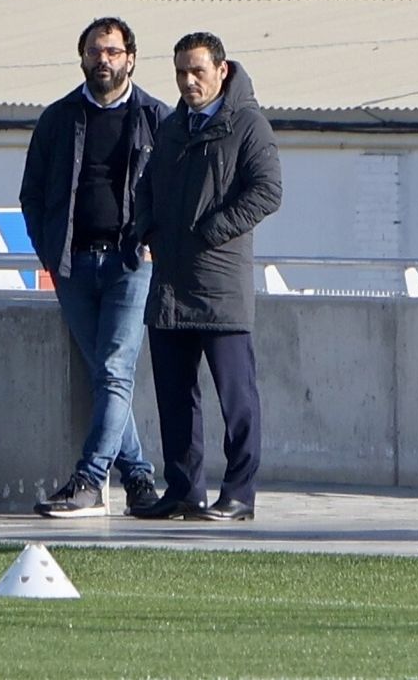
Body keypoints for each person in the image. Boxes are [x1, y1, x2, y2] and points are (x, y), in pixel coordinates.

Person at [19, 16, 172, 517]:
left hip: (132, 265)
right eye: (94, 52)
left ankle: (88, 481)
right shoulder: (59, 119)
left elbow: (177, 195)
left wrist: (157, 243)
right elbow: (32, 194)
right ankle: (140, 479)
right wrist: (48, 252)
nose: (102, 60)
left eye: (112, 51)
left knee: (113, 371)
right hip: (72, 266)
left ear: (131, 58)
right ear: (82, 58)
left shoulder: (157, 118)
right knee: (106, 376)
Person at [132, 32, 282, 522]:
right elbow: (146, 186)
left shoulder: (249, 126)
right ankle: (183, 491)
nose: (188, 81)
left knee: (237, 401)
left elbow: (267, 191)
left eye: (197, 70)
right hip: (170, 289)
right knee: (175, 400)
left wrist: (213, 230)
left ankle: (239, 494)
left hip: (221, 289)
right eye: (181, 72)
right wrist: (147, 228)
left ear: (222, 70)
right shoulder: (173, 126)